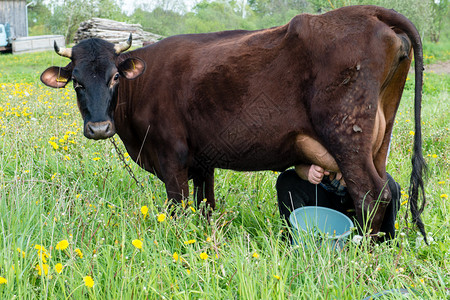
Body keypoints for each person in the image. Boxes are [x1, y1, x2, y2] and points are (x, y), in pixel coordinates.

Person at [276, 164, 401, 241]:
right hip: (320, 194)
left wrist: (355, 171)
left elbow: (380, 163)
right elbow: (297, 162)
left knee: (388, 186)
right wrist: (308, 171)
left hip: (358, 197)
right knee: (286, 180)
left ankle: (384, 241)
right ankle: (296, 239)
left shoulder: (375, 123)